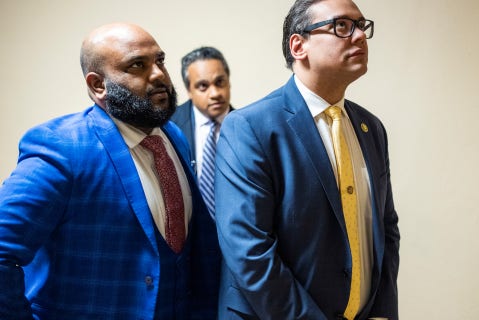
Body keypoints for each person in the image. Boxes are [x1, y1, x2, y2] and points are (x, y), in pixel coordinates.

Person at [0, 22, 221, 319]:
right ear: (98, 85)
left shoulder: (172, 136)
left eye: (160, 61)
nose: (158, 75)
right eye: (137, 65)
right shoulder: (61, 148)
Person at [214, 0, 400, 319]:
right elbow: (249, 250)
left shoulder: (372, 128)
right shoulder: (249, 127)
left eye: (362, 25)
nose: (359, 37)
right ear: (298, 45)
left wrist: (382, 310)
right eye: (342, 26)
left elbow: (386, 229)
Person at [171, 46, 233, 215]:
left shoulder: (249, 128)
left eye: (220, 82)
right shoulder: (167, 126)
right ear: (189, 91)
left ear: (229, 81)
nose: (215, 93)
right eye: (203, 86)